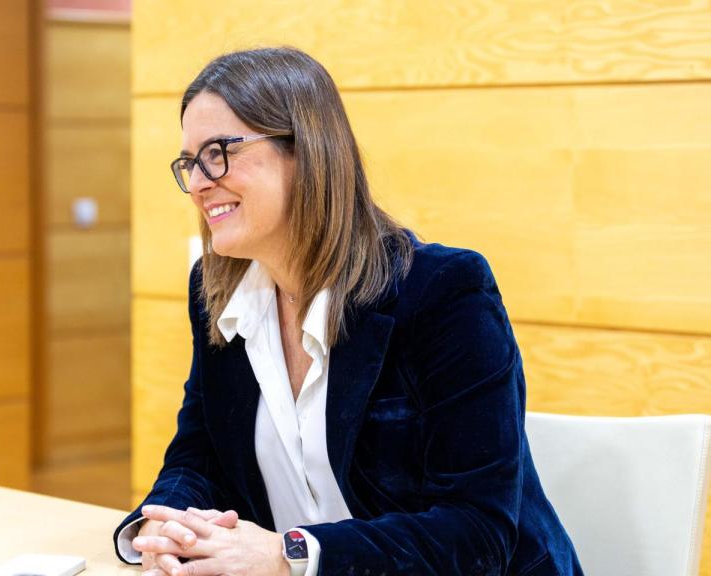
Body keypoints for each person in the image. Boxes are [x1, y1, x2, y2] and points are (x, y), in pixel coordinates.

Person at [114, 47, 583, 576]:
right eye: (189, 163)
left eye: (219, 151)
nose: (198, 182)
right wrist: (163, 522)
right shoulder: (217, 291)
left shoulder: (443, 293)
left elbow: (477, 532)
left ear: (307, 150)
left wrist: (288, 554)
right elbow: (199, 454)